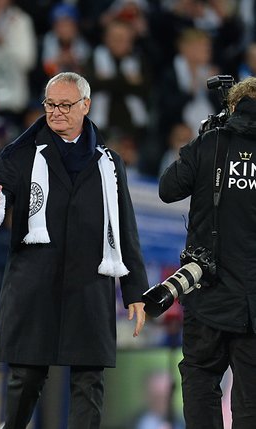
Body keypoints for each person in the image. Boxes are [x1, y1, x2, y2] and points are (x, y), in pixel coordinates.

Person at [0, 71, 148, 429]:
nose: (56, 112)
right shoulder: (21, 154)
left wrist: (135, 291)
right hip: (35, 284)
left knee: (89, 382)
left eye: (65, 105)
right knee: (25, 378)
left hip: (89, 286)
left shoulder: (110, 162)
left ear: (86, 106)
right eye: (50, 105)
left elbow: (125, 228)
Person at [158, 76, 256, 429]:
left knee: (200, 379)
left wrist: (202, 140)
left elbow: (168, 189)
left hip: (208, 295)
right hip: (252, 307)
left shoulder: (209, 144)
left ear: (231, 106)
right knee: (251, 401)